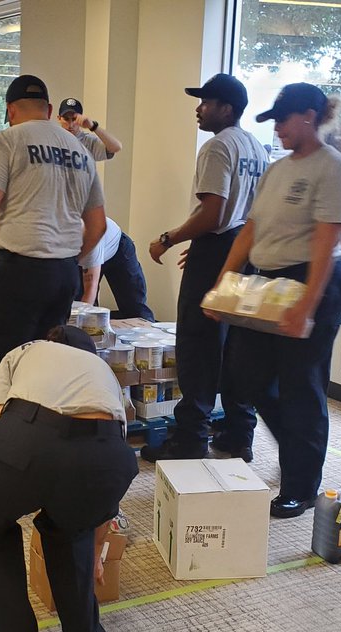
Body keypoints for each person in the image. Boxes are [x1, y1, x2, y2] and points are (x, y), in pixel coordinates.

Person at [0, 325, 137, 632]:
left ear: (50, 341)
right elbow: (105, 499)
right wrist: (94, 557)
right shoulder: (106, 378)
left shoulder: (25, 350)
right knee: (72, 532)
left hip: (25, 434)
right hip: (105, 454)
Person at [217, 83, 341, 519]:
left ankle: (300, 485)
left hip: (313, 281)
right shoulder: (278, 170)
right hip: (268, 282)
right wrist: (222, 284)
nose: (276, 129)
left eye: (282, 120)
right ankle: (295, 444)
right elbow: (251, 229)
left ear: (309, 116)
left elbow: (326, 241)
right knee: (246, 376)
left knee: (302, 386)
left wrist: (307, 306)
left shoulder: (333, 169)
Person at [142, 73, 265, 462]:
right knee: (236, 347)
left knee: (197, 345)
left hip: (219, 248)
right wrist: (203, 245)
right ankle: (237, 434)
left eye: (206, 102)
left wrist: (170, 237)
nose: (198, 108)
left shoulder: (217, 147)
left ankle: (190, 439)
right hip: (247, 251)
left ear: (225, 108)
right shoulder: (257, 148)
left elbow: (213, 213)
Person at [0, 75, 107, 373]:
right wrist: (66, 257)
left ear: (10, 111)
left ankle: (5, 419)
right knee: (45, 363)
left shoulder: (6, 141)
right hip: (63, 275)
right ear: (49, 110)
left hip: (17, 275)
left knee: (4, 367)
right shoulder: (80, 152)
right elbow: (97, 225)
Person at [78, 216, 154, 321]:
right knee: (80, 303)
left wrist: (78, 323)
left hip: (118, 249)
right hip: (85, 256)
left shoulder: (88, 234)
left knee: (134, 306)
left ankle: (147, 332)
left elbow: (91, 286)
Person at [57, 98, 122, 161]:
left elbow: (116, 147)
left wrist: (93, 126)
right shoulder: (54, 138)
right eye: (66, 119)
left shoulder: (88, 141)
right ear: (59, 118)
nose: (70, 125)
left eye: (74, 119)